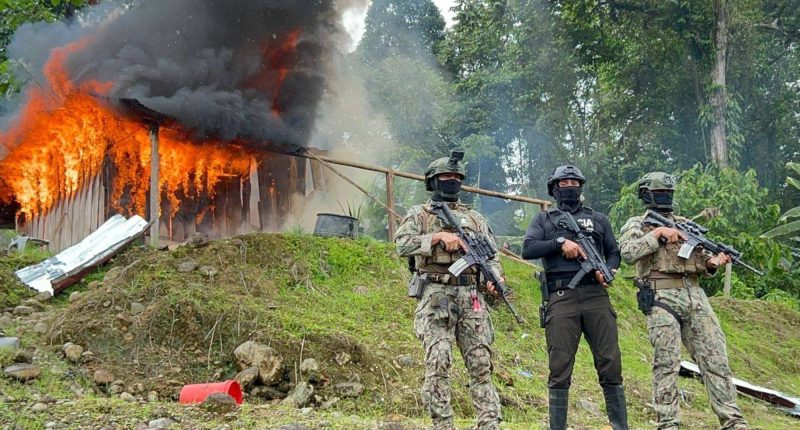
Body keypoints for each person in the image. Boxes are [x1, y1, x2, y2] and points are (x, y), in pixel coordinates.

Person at [619, 172, 748, 430]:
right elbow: (628, 253)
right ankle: (668, 423)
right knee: (667, 362)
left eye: (668, 193)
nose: (665, 197)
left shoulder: (686, 224)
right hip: (660, 296)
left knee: (716, 359)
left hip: (695, 295)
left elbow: (699, 262)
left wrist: (713, 263)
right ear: (646, 195)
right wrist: (658, 234)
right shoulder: (638, 223)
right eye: (660, 193)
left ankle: (733, 421)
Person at [395, 152, 502, 430]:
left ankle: (489, 424)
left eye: (456, 177)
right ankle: (442, 425)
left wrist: (495, 278)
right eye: (446, 176)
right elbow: (402, 244)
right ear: (433, 181)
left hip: (472, 297)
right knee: (438, 361)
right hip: (436, 294)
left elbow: (492, 255)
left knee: (481, 364)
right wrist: (437, 237)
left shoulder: (475, 218)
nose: (452, 181)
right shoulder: (420, 214)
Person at [521, 165, 628, 430]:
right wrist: (559, 243)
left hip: (596, 295)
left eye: (574, 182)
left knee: (610, 362)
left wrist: (609, 270)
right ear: (554, 188)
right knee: (559, 366)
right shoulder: (544, 220)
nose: (570, 187)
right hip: (561, 296)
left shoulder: (598, 219)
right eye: (564, 183)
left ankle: (620, 426)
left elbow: (614, 252)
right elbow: (528, 249)